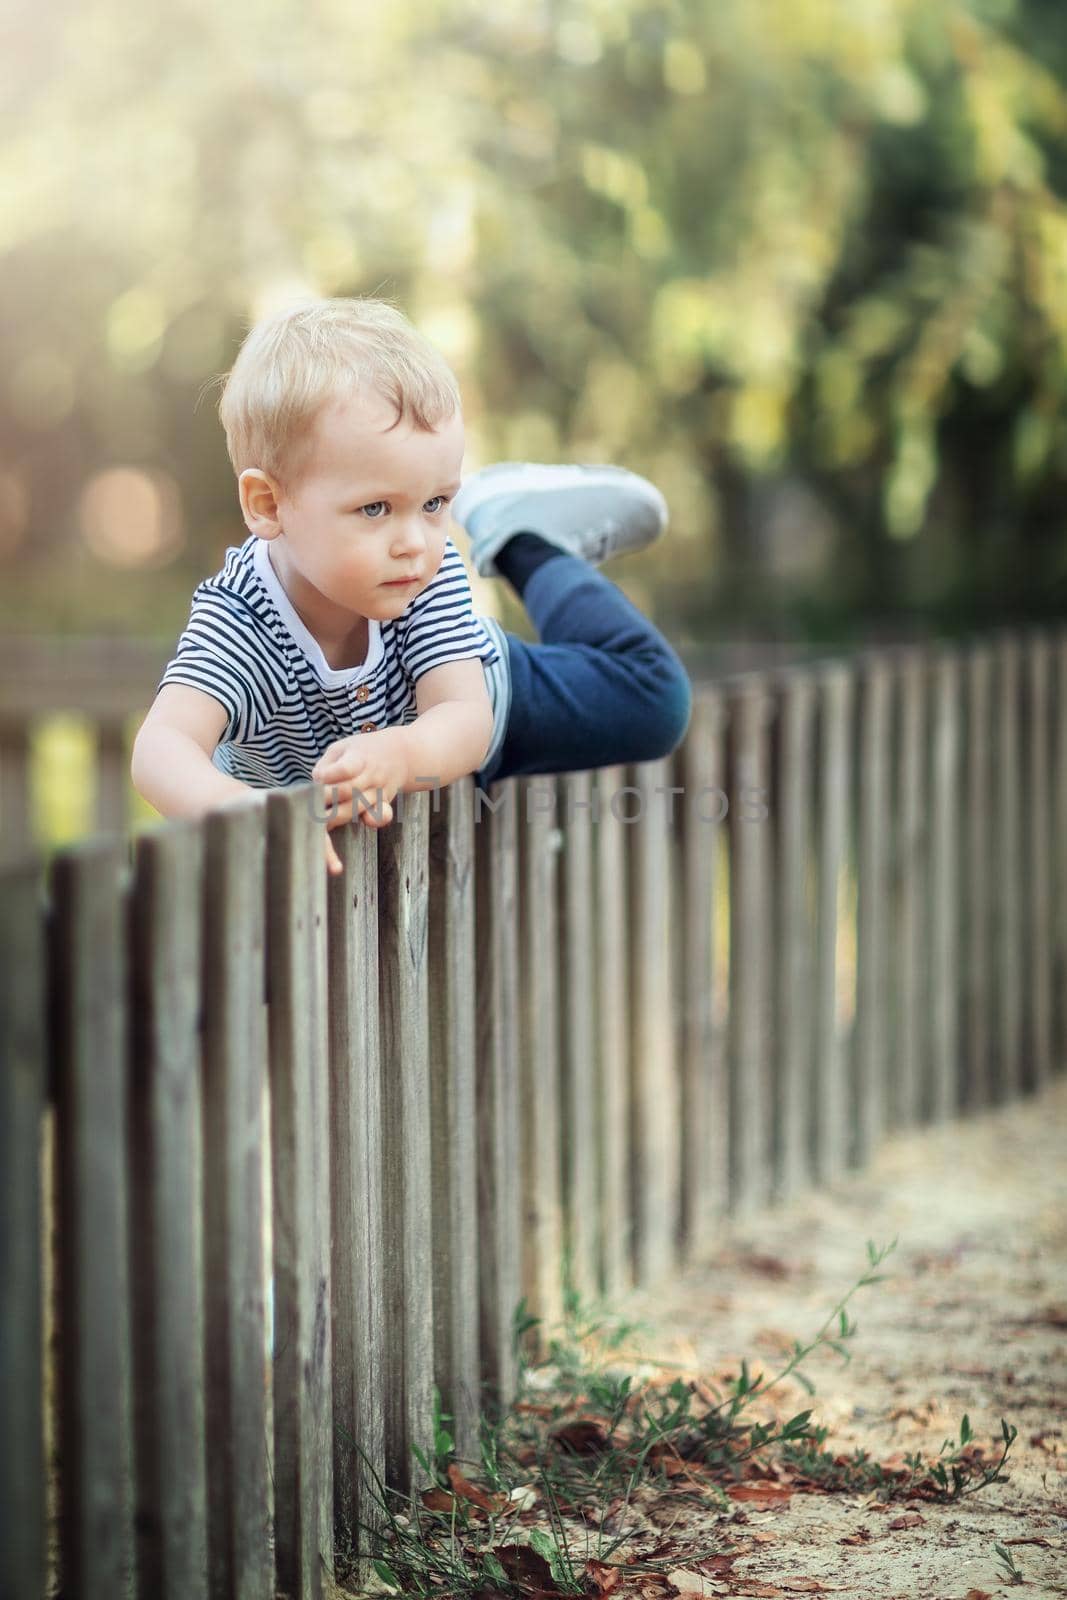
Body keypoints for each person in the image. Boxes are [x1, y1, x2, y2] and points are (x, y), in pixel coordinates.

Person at [131, 297, 693, 873]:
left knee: (656, 703)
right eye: (375, 508)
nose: (415, 542)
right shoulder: (240, 619)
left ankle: (522, 539)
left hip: (475, 699)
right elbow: (160, 749)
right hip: (353, 798)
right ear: (269, 503)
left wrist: (401, 755)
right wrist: (248, 816)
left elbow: (463, 718)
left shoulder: (423, 568)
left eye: (434, 503)